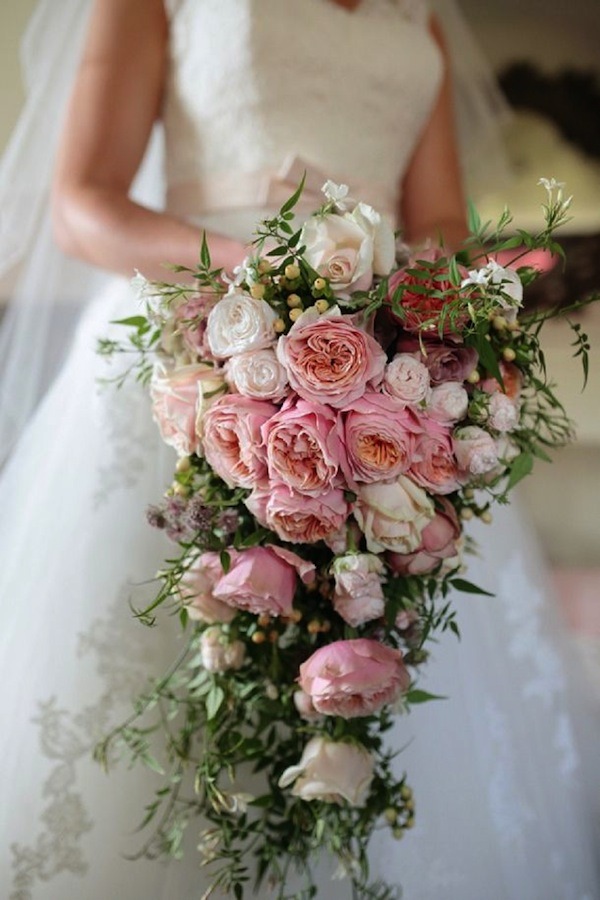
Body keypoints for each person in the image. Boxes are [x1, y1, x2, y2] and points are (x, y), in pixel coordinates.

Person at [0, 1, 598, 899]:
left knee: (382, 648)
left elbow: (436, 220)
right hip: (197, 338)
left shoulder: (418, 14)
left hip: (380, 361)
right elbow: (82, 207)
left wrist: (442, 311)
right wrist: (267, 275)